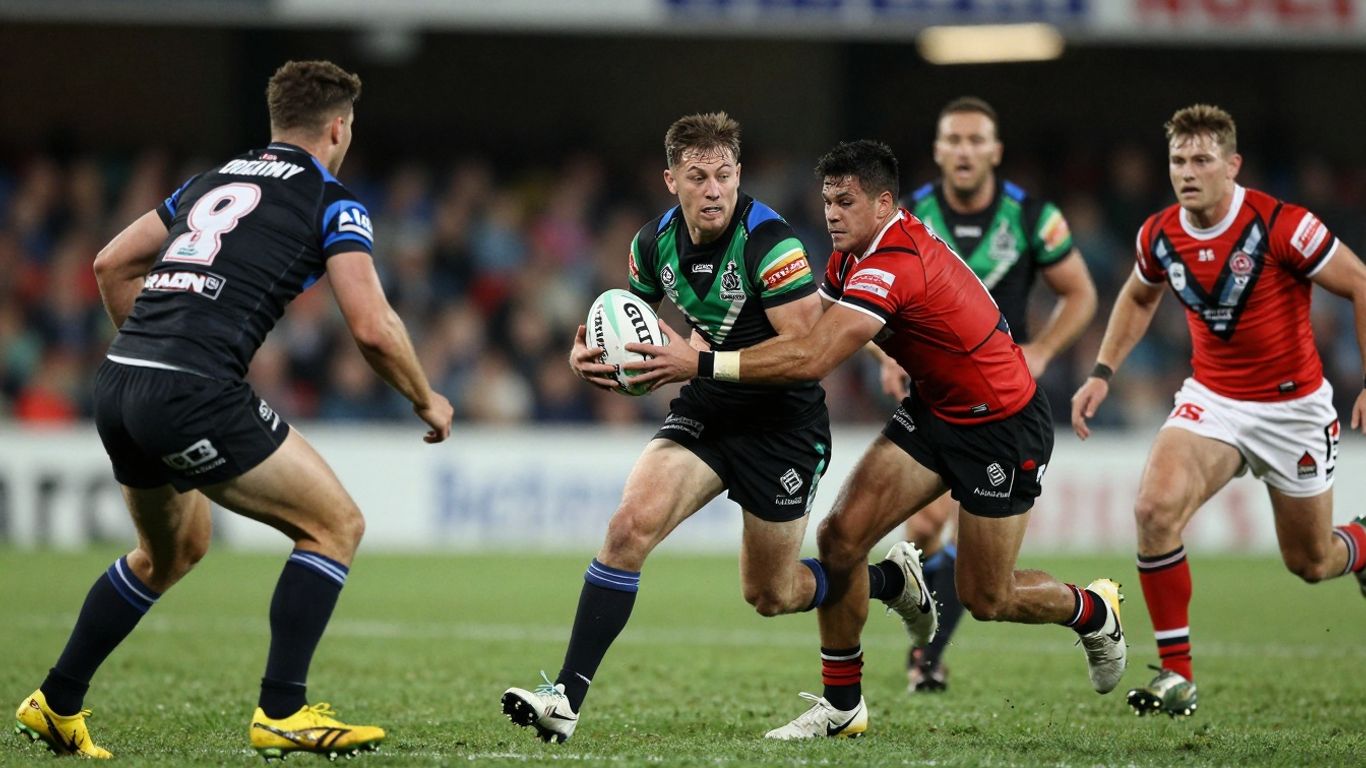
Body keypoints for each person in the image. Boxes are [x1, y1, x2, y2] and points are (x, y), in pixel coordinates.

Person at [12, 60, 453, 760]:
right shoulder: (333, 200)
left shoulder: (212, 180)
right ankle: (283, 710)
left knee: (172, 551)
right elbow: (372, 326)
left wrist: (152, 349)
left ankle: (56, 702)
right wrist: (426, 397)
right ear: (338, 129)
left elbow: (108, 264)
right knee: (334, 524)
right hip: (191, 391)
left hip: (120, 383)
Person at [629, 139, 1125, 739]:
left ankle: (1094, 611)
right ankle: (843, 705)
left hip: (1000, 424)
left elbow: (813, 355)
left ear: (884, 202)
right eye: (827, 200)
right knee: (840, 538)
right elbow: (826, 320)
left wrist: (700, 364)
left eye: (845, 201)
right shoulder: (849, 257)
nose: (831, 213)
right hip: (936, 412)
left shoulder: (894, 261)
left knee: (987, 596)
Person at [499, 113, 932, 745]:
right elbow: (629, 324)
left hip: (784, 423)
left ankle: (894, 580)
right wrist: (586, 354)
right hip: (710, 408)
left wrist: (694, 360)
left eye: (724, 175)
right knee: (627, 529)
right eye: (698, 176)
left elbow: (808, 352)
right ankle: (565, 697)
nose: (713, 189)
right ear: (670, 179)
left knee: (772, 594)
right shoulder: (651, 245)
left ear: (739, 176)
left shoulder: (770, 244)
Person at [1071, 104, 1366, 718]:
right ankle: (1176, 676)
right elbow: (1137, 293)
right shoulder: (1158, 232)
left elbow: (1361, 281)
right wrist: (1103, 371)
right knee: (1154, 510)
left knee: (1311, 562)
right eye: (1178, 160)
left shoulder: (1283, 224)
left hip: (1294, 413)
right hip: (1214, 402)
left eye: (1202, 159)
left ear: (1232, 165)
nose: (1187, 171)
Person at [888, 97, 1097, 693]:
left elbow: (1079, 294)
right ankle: (924, 652)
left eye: (976, 140)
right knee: (926, 527)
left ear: (995, 152)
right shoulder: (909, 215)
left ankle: (925, 656)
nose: (964, 150)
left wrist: (1045, 350)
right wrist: (884, 357)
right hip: (931, 391)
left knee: (972, 555)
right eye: (953, 140)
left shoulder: (1033, 217)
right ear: (937, 150)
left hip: (1002, 401)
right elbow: (868, 294)